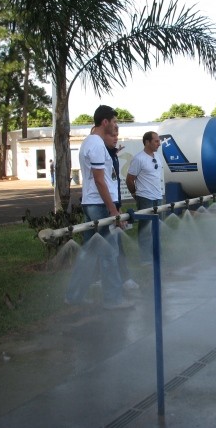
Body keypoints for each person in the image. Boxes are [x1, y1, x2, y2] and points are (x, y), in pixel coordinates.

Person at [64, 105, 133, 309]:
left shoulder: (96, 143)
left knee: (90, 253)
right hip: (99, 205)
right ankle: (113, 299)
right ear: (105, 122)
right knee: (109, 253)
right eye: (114, 122)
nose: (116, 126)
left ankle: (73, 296)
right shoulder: (94, 144)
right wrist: (113, 211)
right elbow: (100, 181)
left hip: (95, 203)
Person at [104, 126, 139, 291]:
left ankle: (123, 279)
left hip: (113, 206)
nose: (116, 138)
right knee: (111, 248)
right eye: (112, 135)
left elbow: (113, 184)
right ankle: (121, 283)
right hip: (105, 208)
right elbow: (102, 184)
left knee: (115, 247)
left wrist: (118, 206)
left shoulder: (112, 156)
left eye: (117, 135)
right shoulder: (103, 156)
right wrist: (113, 210)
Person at [126, 131, 164, 264]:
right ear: (147, 142)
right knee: (145, 230)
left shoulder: (157, 157)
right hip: (145, 198)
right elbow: (130, 180)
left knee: (157, 229)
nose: (159, 143)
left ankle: (157, 256)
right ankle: (145, 259)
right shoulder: (138, 158)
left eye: (159, 141)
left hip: (158, 197)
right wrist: (135, 194)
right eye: (156, 141)